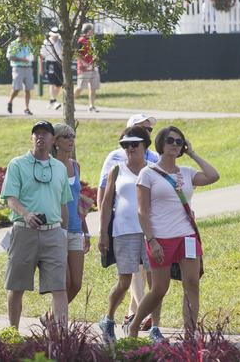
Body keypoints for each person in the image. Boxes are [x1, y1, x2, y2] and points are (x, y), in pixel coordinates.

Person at [130, 126, 220, 341]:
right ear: (161, 143)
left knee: (192, 284)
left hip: (186, 236)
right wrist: (151, 240)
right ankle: (134, 325)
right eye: (170, 140)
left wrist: (192, 153)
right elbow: (142, 211)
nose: (174, 145)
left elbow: (213, 176)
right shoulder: (148, 173)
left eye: (179, 142)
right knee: (160, 289)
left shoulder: (187, 172)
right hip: (160, 238)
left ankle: (190, 336)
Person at [1, 120, 73, 328]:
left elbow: (63, 204)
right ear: (32, 138)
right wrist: (26, 214)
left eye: (45, 134)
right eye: (37, 133)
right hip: (24, 232)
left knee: (59, 288)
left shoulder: (59, 168)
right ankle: (13, 333)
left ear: (53, 140)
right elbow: (10, 198)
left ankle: (61, 339)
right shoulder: (17, 164)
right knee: (16, 287)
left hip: (53, 233)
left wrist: (64, 233)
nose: (40, 137)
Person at [96, 127, 151, 344]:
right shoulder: (116, 170)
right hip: (123, 232)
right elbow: (107, 203)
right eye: (125, 145)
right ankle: (108, 319)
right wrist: (102, 233)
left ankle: (155, 327)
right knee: (124, 281)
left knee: (155, 284)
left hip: (149, 233)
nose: (129, 148)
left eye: (134, 144)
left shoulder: (154, 170)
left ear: (145, 146)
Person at [52, 123, 87, 305]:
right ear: (56, 141)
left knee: (76, 284)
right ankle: (57, 325)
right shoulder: (50, 166)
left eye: (72, 136)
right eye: (66, 137)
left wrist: (86, 231)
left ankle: (50, 317)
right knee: (64, 282)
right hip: (57, 229)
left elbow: (78, 200)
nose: (71, 140)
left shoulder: (76, 166)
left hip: (75, 229)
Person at [73, 24, 101, 111]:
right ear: (89, 31)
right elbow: (76, 54)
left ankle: (91, 106)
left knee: (93, 88)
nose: (93, 31)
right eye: (92, 30)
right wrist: (85, 63)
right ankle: (70, 102)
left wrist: (95, 59)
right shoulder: (81, 40)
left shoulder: (93, 41)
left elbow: (94, 52)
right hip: (84, 68)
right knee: (80, 87)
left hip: (93, 67)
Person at [6, 34, 35, 115]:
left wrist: (32, 57)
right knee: (17, 88)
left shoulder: (29, 44)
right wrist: (22, 59)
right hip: (17, 67)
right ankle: (10, 102)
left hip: (28, 67)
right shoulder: (13, 44)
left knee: (28, 89)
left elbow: (32, 55)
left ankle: (27, 108)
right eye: (22, 35)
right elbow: (10, 57)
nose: (24, 37)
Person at [41, 28, 64, 109]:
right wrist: (41, 68)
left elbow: (62, 54)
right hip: (50, 63)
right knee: (52, 82)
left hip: (59, 63)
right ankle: (54, 100)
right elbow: (42, 55)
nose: (55, 37)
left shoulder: (60, 41)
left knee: (59, 84)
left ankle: (52, 100)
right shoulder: (46, 42)